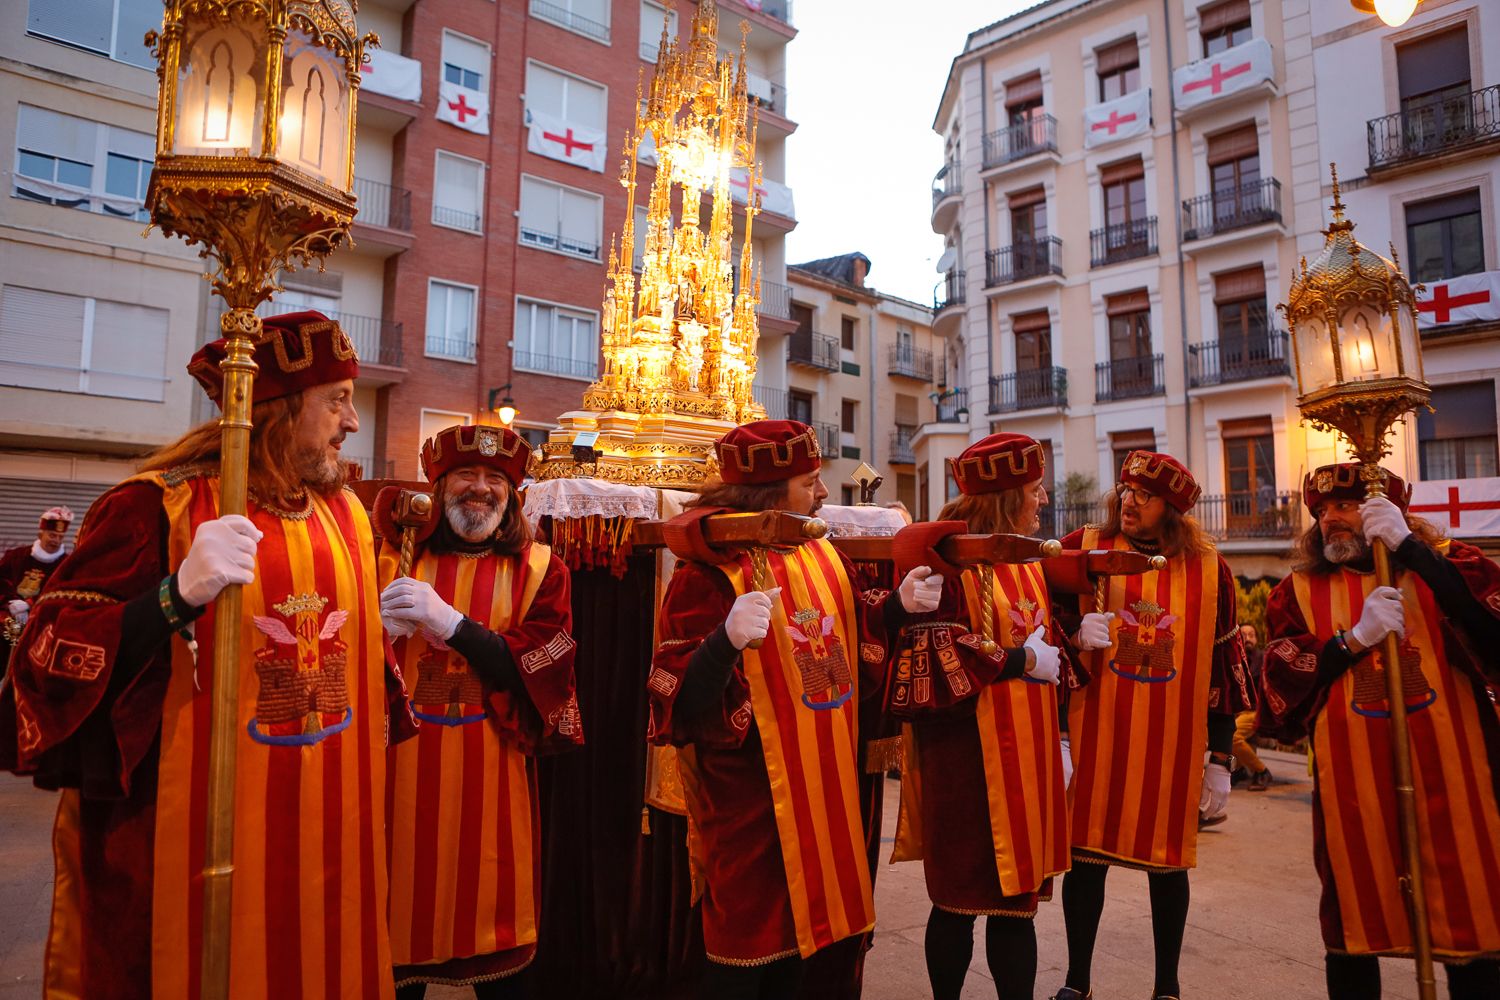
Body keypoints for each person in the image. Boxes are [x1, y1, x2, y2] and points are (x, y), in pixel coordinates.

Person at [0, 311, 398, 999]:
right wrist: (171, 600)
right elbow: (43, 657)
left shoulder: (347, 515)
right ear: (276, 407)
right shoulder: (156, 507)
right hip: (183, 844)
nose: (353, 421)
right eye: (336, 400)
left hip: (325, 839)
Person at [647, 419, 934, 999]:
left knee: (820, 958)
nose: (823, 493)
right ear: (766, 495)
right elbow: (673, 696)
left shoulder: (824, 554)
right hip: (753, 802)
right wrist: (723, 644)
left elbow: (857, 641)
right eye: (809, 481)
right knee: (750, 956)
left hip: (829, 793)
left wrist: (898, 608)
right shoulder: (706, 576)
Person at [1260, 463, 1500, 1000]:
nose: (1330, 521)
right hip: (1353, 789)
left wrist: (1412, 550)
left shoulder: (1449, 564)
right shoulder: (1296, 591)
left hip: (1460, 779)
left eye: (1344, 507)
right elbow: (1279, 680)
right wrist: (1353, 640)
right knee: (1354, 924)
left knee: (1473, 919)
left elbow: (1492, 631)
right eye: (1321, 512)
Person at [888, 433, 1106, 1000]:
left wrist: (1074, 638)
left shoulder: (1027, 558)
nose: (1044, 501)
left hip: (1027, 758)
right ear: (1006, 497)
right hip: (966, 761)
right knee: (957, 903)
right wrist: (1017, 661)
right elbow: (933, 651)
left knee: (1017, 911)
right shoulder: (947, 561)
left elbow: (1039, 636)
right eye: (1034, 490)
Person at [378, 423, 582, 999]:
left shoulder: (544, 570)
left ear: (513, 494)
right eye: (465, 475)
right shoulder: (392, 558)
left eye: (496, 478)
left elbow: (547, 667)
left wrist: (454, 626)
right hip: (397, 782)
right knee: (392, 948)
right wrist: (376, 632)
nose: (480, 488)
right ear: (438, 488)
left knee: (500, 958)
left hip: (495, 784)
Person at [1051, 450, 1254, 1000]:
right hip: (1096, 732)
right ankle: (1077, 983)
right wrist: (1070, 632)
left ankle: (1167, 988)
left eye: (1144, 495)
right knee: (1086, 863)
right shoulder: (1082, 549)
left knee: (1168, 867)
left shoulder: (1211, 568)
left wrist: (1220, 757)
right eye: (1125, 491)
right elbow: (1035, 615)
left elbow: (1223, 667)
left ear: (1173, 508)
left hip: (1172, 743)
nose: (1129, 502)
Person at [0, 506, 74, 667]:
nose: (55, 540)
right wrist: (11, 602)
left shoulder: (66, 565)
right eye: (52, 535)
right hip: (5, 622)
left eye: (60, 537)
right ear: (41, 534)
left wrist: (29, 604)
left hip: (40, 626)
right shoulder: (16, 556)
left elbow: (61, 592)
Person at [1231, 623, 1271, 790]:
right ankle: (1239, 769)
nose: (1247, 638)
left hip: (1255, 711)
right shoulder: (1233, 658)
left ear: (1257, 639)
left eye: (1251, 635)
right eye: (1243, 635)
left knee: (1233, 736)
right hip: (1235, 712)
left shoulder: (1263, 658)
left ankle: (1262, 771)